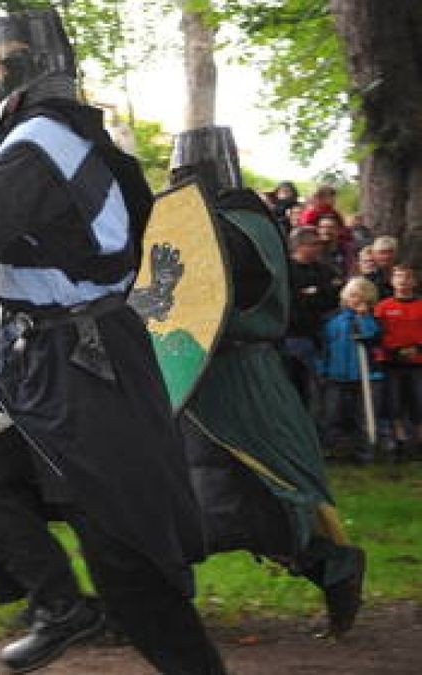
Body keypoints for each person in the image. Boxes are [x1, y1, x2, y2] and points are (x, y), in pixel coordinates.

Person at [0, 12, 225, 673]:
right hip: (28, 356)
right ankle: (59, 604)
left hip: (84, 360)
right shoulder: (55, 144)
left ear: (18, 71)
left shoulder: (44, 144)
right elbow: (4, 225)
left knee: (126, 562)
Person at [166, 126, 367, 642]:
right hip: (199, 375)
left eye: (184, 176)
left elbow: (216, 296)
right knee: (203, 489)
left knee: (262, 492)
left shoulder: (239, 229)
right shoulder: (228, 225)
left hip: (237, 377)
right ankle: (156, 597)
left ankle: (334, 567)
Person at [320, 277, 383, 462]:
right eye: (353, 295)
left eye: (361, 297)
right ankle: (333, 450)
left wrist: (363, 318)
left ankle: (365, 451)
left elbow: (370, 336)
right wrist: (323, 369)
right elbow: (325, 345)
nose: (355, 300)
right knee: (333, 415)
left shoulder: (372, 319)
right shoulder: (333, 319)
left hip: (365, 375)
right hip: (337, 374)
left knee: (363, 416)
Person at [284, 226, 341, 409]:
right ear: (300, 246)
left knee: (317, 386)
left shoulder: (323, 270)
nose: (319, 248)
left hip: (319, 335)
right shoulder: (287, 271)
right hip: (292, 337)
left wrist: (315, 294)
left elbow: (332, 296)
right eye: (314, 244)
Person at [374, 265, 422, 460]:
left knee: (419, 402)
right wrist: (393, 351)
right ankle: (399, 441)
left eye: (407, 277)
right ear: (392, 281)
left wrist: (417, 349)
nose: (402, 282)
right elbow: (377, 333)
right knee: (394, 403)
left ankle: (419, 441)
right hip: (392, 361)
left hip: (417, 361)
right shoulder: (383, 307)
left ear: (414, 281)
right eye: (398, 277)